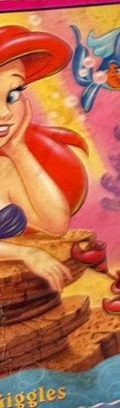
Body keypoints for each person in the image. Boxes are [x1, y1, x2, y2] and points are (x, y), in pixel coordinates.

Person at [0, 25, 89, 292]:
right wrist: (25, 253)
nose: (4, 113)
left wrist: (18, 149)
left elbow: (56, 225)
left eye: (13, 95)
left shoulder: (6, 168)